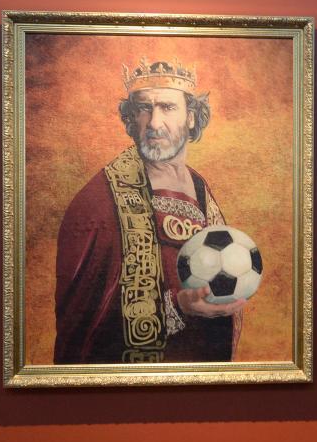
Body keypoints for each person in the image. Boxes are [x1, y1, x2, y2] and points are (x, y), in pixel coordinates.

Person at [54, 58, 245, 364]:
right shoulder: (98, 202)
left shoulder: (199, 186)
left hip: (201, 380)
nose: (155, 123)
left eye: (168, 107)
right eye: (144, 108)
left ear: (192, 117)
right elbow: (84, 326)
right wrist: (176, 306)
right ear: (131, 118)